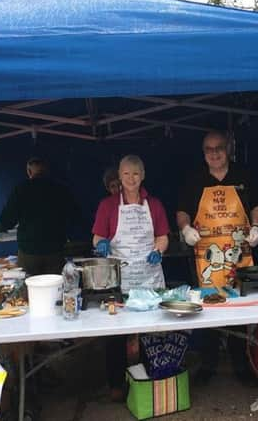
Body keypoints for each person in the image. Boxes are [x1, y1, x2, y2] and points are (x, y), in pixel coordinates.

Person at [176, 130, 258, 385]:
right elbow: (182, 210)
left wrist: (256, 227)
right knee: (207, 308)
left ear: (228, 149)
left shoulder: (243, 174)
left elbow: (257, 204)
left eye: (219, 148)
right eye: (208, 149)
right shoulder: (194, 179)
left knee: (238, 309)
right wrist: (185, 229)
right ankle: (208, 364)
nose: (214, 153)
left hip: (238, 254)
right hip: (206, 256)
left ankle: (241, 364)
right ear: (203, 152)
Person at [92, 154, 170, 400]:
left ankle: (147, 379)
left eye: (136, 173)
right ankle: (116, 383)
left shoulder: (154, 204)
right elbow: (96, 236)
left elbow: (163, 236)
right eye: (126, 174)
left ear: (143, 175)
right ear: (119, 176)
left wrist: (159, 250)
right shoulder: (107, 205)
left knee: (150, 332)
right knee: (116, 334)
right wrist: (102, 243)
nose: (131, 178)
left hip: (148, 279)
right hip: (119, 280)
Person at [0, 158, 79, 275]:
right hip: (55, 250)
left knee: (28, 286)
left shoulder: (21, 189)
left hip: (29, 251)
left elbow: (9, 217)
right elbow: (73, 215)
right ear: (46, 171)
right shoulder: (60, 189)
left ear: (29, 172)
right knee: (56, 286)